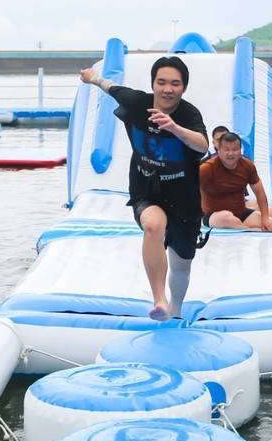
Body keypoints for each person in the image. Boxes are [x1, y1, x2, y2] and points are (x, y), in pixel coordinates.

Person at [80, 56, 209, 320]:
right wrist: (92, 77)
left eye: (175, 84)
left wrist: (175, 128)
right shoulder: (137, 103)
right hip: (146, 190)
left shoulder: (188, 114)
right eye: (161, 82)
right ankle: (159, 300)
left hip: (184, 198)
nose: (167, 89)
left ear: (183, 88)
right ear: (153, 84)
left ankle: (176, 309)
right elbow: (110, 87)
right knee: (153, 226)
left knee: (182, 265)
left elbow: (202, 145)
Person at [200, 131, 272, 233]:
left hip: (241, 213)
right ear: (219, 151)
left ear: (240, 150)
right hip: (214, 216)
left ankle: (254, 230)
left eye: (234, 149)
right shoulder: (207, 168)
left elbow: (260, 193)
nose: (230, 153)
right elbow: (189, 191)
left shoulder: (247, 165)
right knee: (227, 218)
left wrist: (265, 219)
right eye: (226, 149)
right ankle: (252, 231)